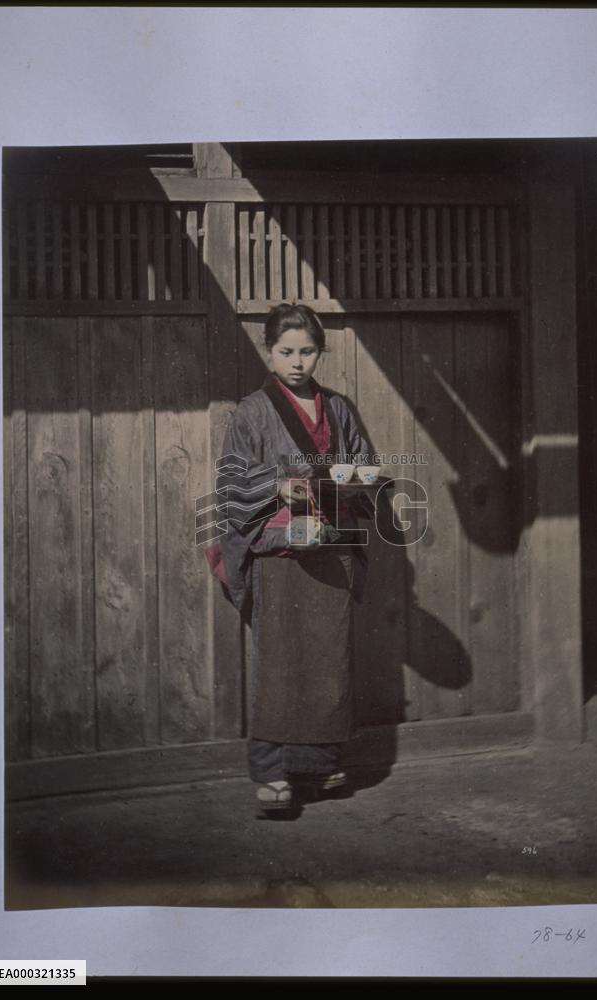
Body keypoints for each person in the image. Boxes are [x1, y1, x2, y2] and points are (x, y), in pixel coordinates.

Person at [206, 303, 376, 816]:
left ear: (319, 351)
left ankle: (319, 765)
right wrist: (279, 486)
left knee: (330, 661)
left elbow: (366, 470)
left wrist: (347, 479)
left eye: (307, 351)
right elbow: (232, 486)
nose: (298, 362)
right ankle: (273, 771)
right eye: (286, 352)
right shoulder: (252, 412)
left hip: (329, 550)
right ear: (269, 352)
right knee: (280, 663)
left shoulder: (340, 409)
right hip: (278, 552)